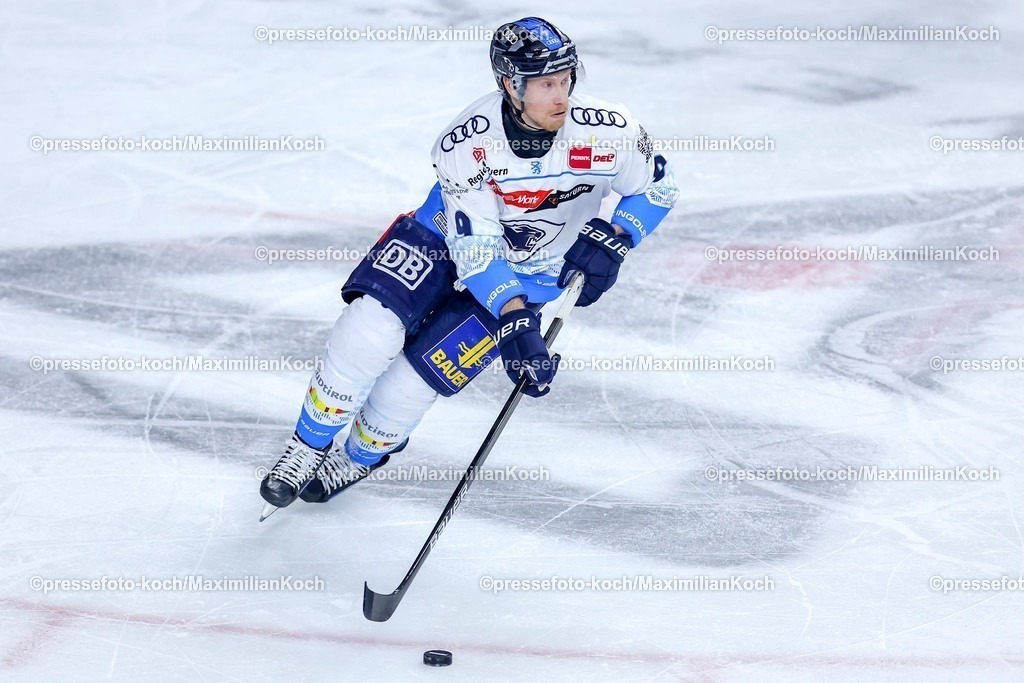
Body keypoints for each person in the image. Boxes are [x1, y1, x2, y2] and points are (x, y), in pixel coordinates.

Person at [259, 16, 679, 516]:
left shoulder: (609, 130)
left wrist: (618, 236)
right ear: (510, 84)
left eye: (566, 80)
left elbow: (658, 186)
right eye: (546, 84)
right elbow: (476, 250)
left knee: (413, 383)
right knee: (368, 329)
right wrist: (514, 316)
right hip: (443, 238)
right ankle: (307, 446)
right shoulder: (466, 143)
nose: (561, 96)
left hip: (535, 270)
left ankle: (357, 457)